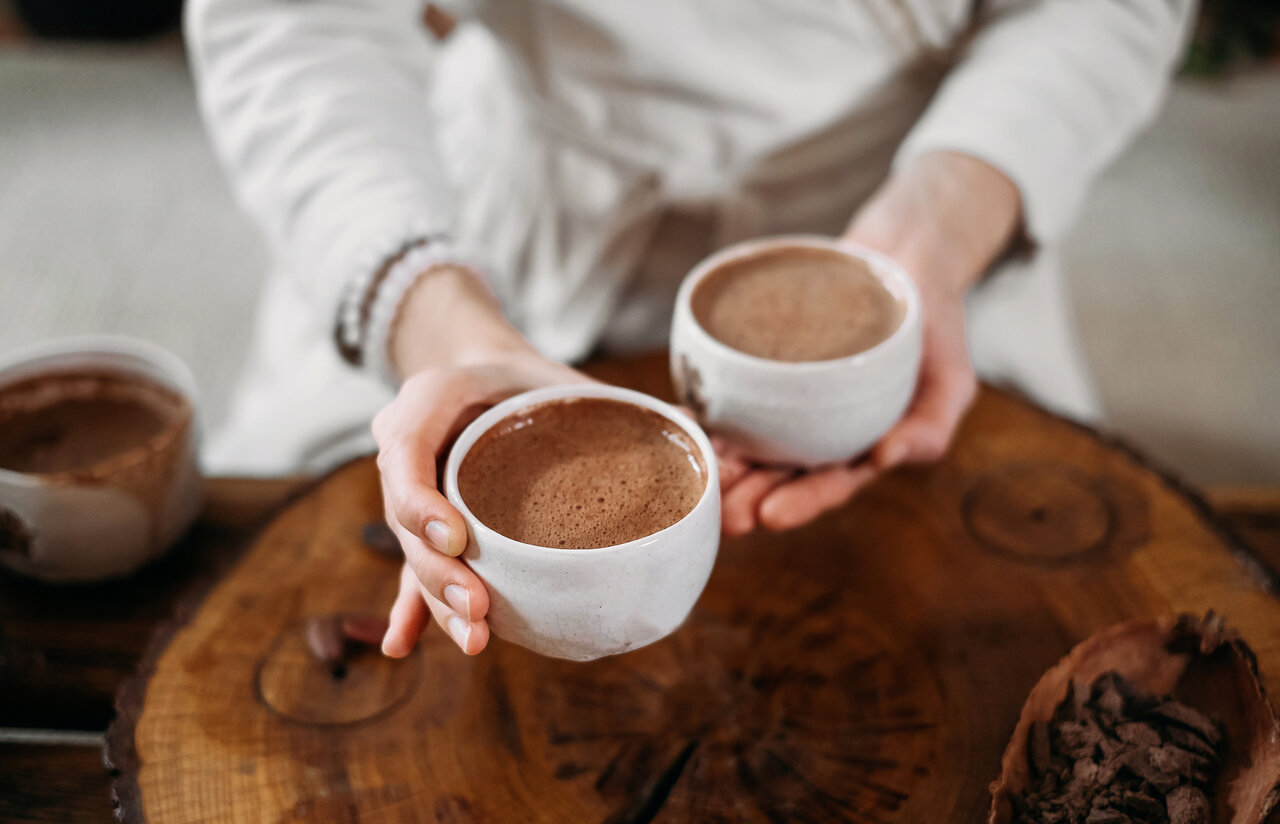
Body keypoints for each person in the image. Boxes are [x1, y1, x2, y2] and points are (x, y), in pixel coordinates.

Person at [186, 0, 1193, 656]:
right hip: (496, 227)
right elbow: (289, 22)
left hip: (912, 207)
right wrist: (434, 319)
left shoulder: (927, 230)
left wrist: (934, 227)